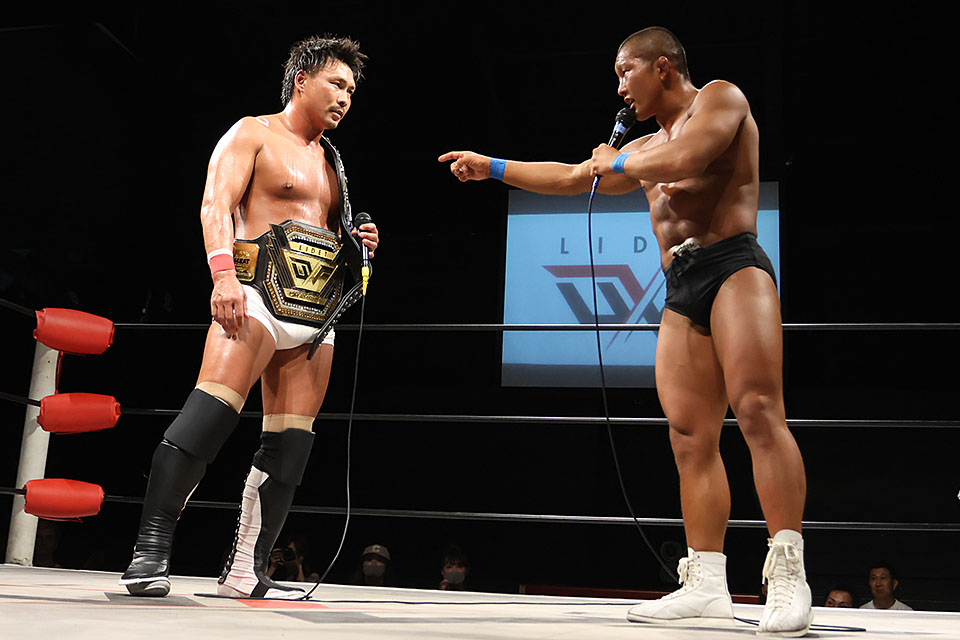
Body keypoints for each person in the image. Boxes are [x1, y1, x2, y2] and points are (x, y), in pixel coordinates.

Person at [440, 26, 811, 635]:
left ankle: (790, 572)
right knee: (688, 436)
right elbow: (571, 177)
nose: (619, 89)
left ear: (662, 67)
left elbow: (689, 158)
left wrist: (617, 160)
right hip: (680, 286)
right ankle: (707, 582)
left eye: (624, 73)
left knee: (758, 412)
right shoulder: (643, 147)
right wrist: (492, 167)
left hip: (733, 265)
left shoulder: (719, 98)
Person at [119, 35, 379, 600]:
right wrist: (222, 277)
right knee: (207, 419)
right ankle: (149, 552)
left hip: (314, 315)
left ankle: (245, 571)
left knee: (291, 447)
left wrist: (357, 241)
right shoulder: (252, 133)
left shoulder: (332, 162)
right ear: (302, 80)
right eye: (337, 84)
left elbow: (318, 230)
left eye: (352, 91)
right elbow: (215, 204)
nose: (345, 98)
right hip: (254, 295)